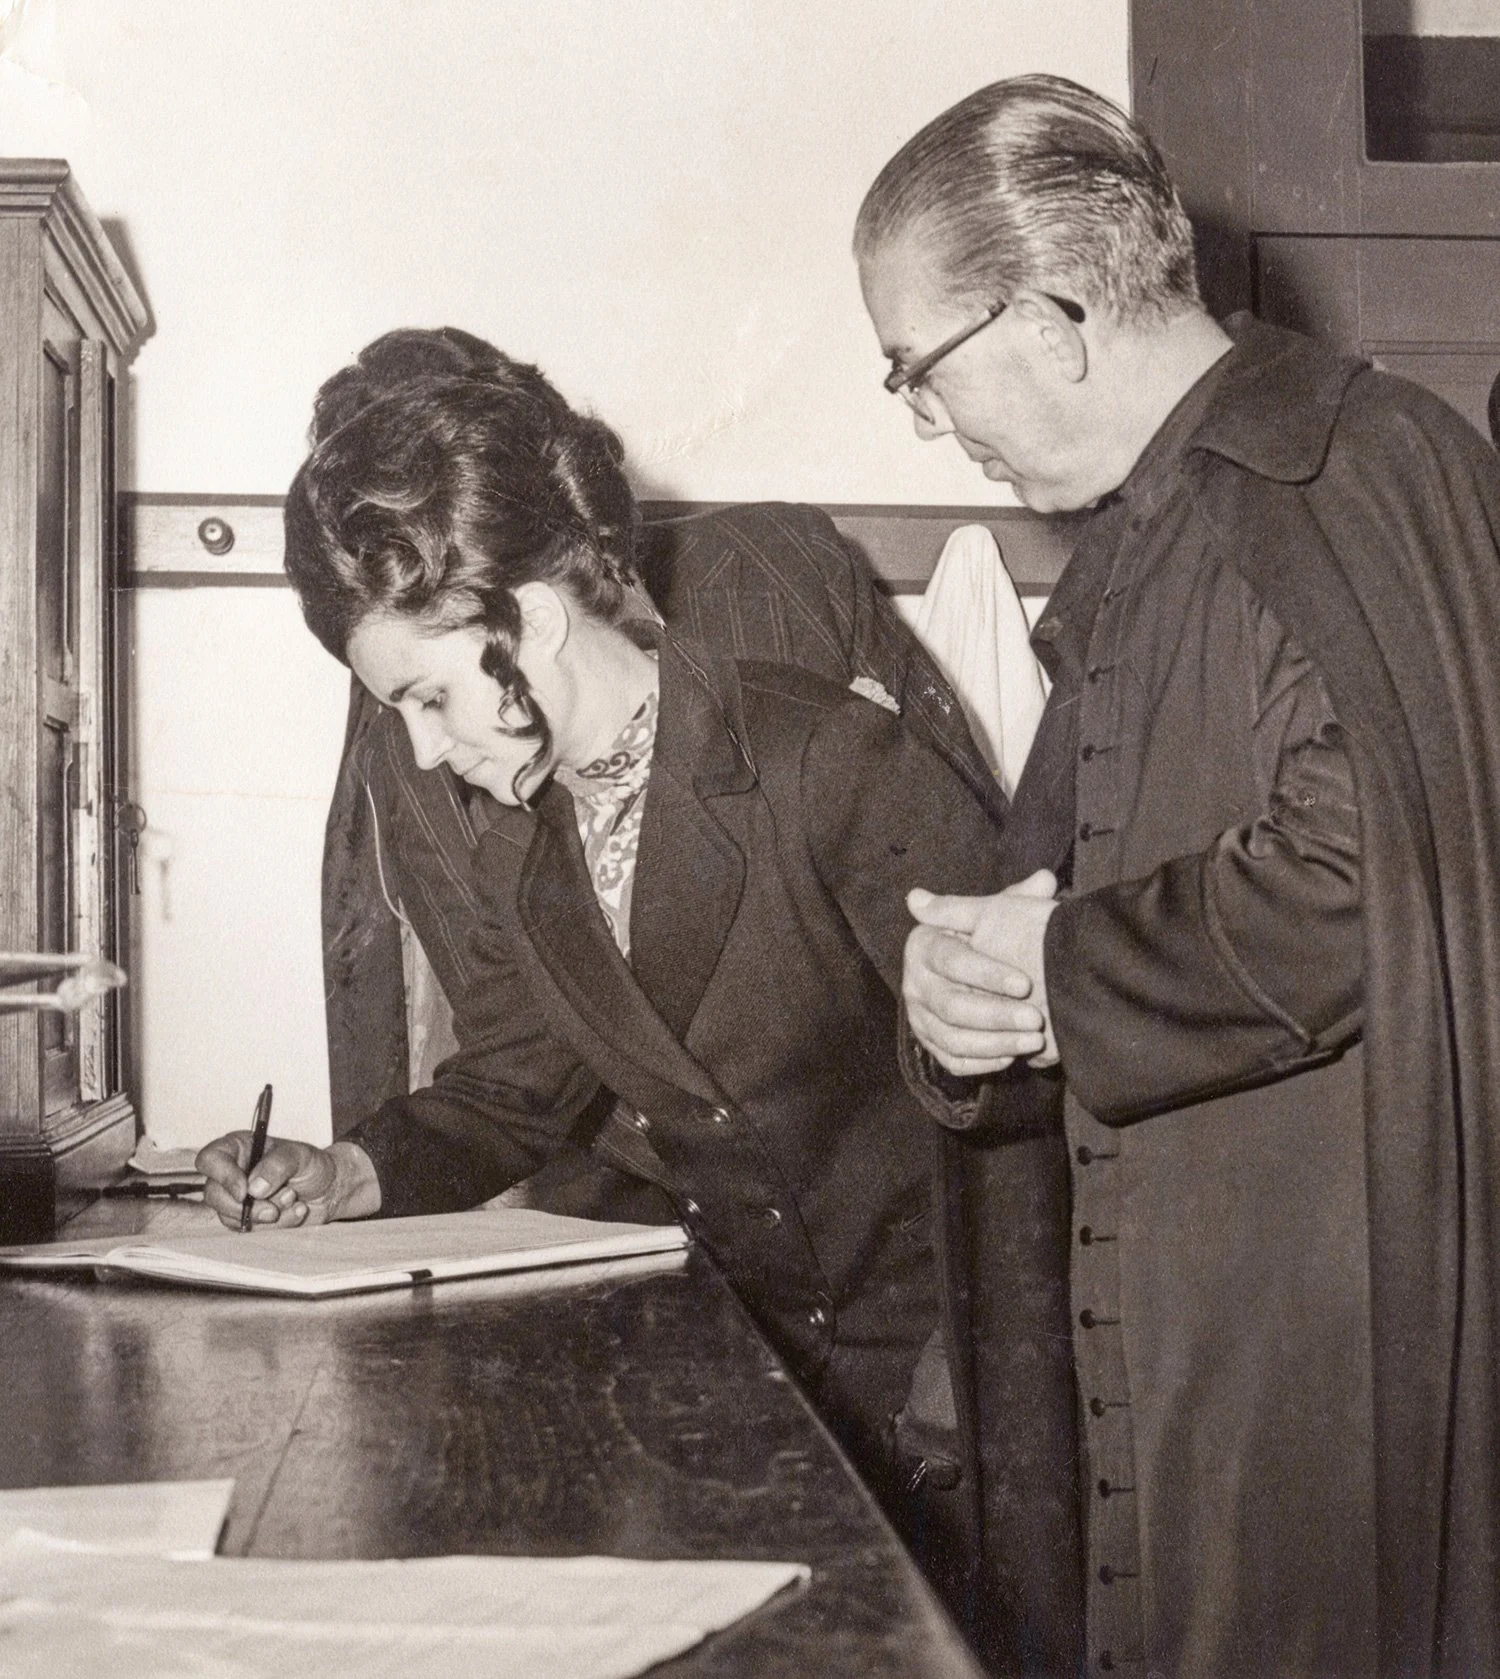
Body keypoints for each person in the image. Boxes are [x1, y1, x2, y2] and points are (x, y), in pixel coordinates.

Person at [195, 363, 1079, 1670]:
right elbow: (519, 1083)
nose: (426, 752)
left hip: (955, 1390)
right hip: (766, 1378)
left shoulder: (821, 757)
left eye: (429, 697)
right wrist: (343, 1172)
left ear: (534, 621)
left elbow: (1027, 1112)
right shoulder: (532, 836)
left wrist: (964, 1385)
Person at [857, 73, 1500, 1679]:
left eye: (917, 371)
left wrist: (1052, 973)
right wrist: (963, 993)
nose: (929, 423)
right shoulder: (1155, 520)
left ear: (1048, 322)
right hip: (1175, 1345)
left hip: (1323, 1353)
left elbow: (1366, 878)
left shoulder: (1355, 468)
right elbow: (1065, 893)